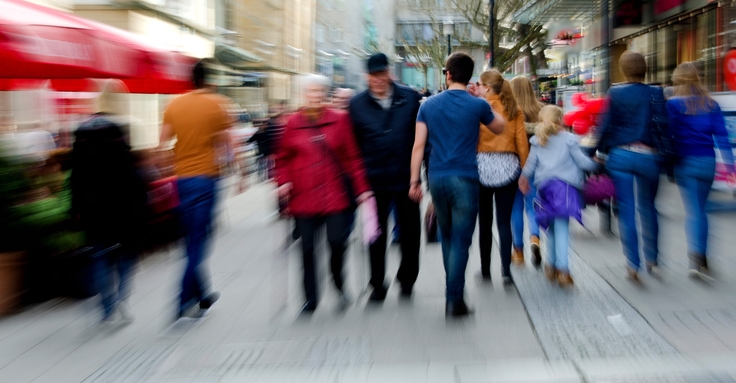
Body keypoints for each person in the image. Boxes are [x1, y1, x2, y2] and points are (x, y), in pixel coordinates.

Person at [409, 53, 505, 317]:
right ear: (470, 77)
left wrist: (414, 181)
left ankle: (453, 294)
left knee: (448, 237)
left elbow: (418, 146)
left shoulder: (427, 105)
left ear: (447, 74)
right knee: (462, 240)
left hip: (437, 178)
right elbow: (500, 127)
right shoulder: (477, 105)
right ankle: (454, 300)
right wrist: (484, 98)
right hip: (465, 178)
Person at [275, 74, 373, 314]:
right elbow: (282, 159)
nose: (315, 95)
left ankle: (337, 281)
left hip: (335, 196)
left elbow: (352, 158)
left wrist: (362, 190)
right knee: (307, 249)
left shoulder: (340, 120)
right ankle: (310, 298)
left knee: (337, 243)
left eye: (319, 91)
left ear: (325, 94)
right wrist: (283, 182)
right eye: (310, 91)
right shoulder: (293, 123)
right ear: (303, 95)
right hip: (303, 197)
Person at [159, 59, 235, 319]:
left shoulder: (174, 104)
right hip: (206, 180)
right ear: (210, 79)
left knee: (192, 238)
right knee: (199, 241)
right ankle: (181, 300)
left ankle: (202, 294)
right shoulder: (218, 104)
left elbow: (162, 145)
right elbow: (228, 145)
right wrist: (240, 172)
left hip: (182, 180)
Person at [71, 79, 149, 323]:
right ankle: (120, 298)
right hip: (124, 202)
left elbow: (75, 173)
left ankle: (106, 307)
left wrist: (75, 206)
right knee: (128, 252)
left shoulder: (82, 131)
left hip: (92, 203)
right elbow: (134, 170)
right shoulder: (126, 128)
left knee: (99, 252)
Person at [349, 52, 422, 301]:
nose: (378, 79)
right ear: (366, 77)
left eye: (381, 73)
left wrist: (421, 177)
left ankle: (407, 279)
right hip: (373, 181)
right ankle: (377, 284)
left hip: (406, 178)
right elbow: (352, 147)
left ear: (389, 72)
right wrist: (357, 185)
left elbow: (422, 139)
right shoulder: (356, 105)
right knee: (375, 236)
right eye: (373, 75)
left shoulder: (409, 98)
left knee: (411, 235)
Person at [595, 51, 666, 281]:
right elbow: (664, 127)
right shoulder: (656, 93)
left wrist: (593, 153)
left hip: (620, 157)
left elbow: (603, 126)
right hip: (649, 156)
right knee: (648, 207)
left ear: (623, 70)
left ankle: (632, 264)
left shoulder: (614, 92)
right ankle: (653, 260)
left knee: (626, 209)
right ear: (644, 69)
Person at [667, 62, 736, 277]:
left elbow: (669, 136)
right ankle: (701, 257)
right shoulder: (711, 104)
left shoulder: (673, 105)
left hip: (684, 162)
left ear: (677, 80)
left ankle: (695, 259)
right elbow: (722, 138)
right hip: (707, 161)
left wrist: (668, 165)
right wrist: (731, 168)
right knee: (702, 210)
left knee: (693, 210)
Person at [519, 105, 599, 286]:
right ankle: (563, 270)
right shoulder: (569, 139)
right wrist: (597, 165)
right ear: (560, 120)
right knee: (562, 228)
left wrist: (523, 179)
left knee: (552, 229)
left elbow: (530, 165)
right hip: (566, 189)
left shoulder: (538, 141)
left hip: (545, 189)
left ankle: (551, 266)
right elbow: (582, 162)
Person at [475, 69, 529, 284]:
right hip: (508, 166)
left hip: (481, 166)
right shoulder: (514, 110)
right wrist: (524, 172)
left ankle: (485, 269)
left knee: (485, 222)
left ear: (487, 87)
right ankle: (506, 271)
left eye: (479, 84)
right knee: (504, 222)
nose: (477, 88)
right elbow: (522, 143)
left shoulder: (479, 108)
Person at [509, 76, 544, 266]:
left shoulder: (510, 112)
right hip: (535, 168)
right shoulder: (540, 111)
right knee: (533, 206)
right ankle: (535, 238)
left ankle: (518, 251)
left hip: (513, 166)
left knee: (515, 209)